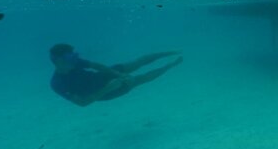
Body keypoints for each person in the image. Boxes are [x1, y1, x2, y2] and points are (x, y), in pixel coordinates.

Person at [49, 44, 182, 107]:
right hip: (104, 92)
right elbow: (82, 103)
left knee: (135, 63)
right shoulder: (57, 83)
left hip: (101, 76)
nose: (75, 59)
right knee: (139, 79)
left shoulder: (75, 63)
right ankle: (171, 65)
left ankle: (170, 51)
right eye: (70, 57)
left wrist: (117, 73)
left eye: (74, 56)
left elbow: (96, 66)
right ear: (58, 61)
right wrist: (109, 87)